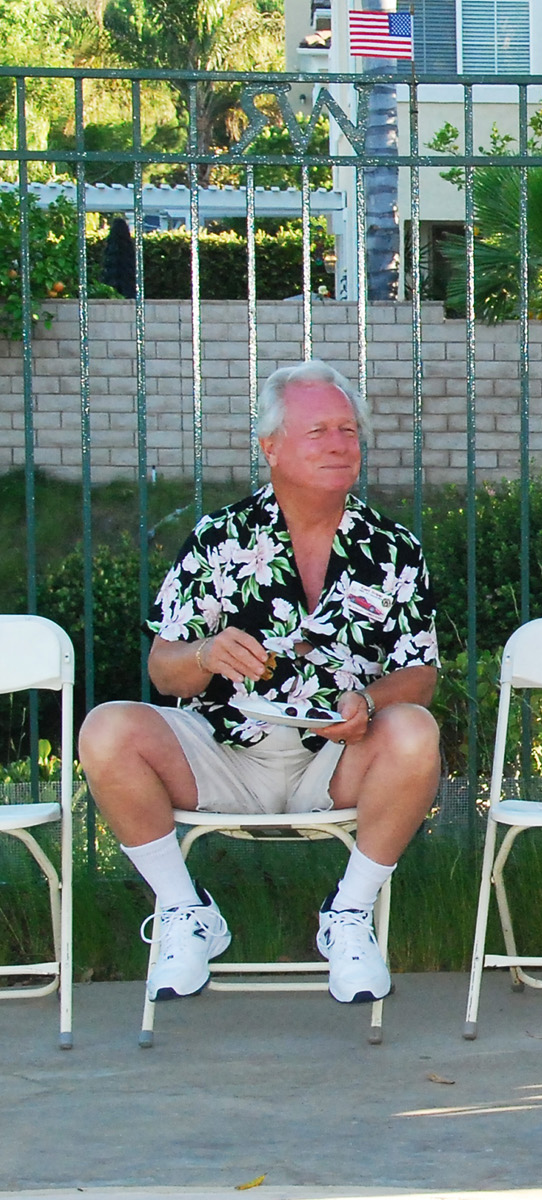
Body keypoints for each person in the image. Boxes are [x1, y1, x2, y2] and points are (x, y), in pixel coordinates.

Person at [79, 361, 442, 1006]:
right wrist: (208, 654)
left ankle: (350, 915)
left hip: (335, 755)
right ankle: (185, 913)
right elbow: (164, 671)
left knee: (414, 731)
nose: (339, 444)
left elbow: (420, 676)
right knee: (107, 728)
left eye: (349, 431)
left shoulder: (393, 546)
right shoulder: (219, 537)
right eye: (319, 431)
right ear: (270, 446)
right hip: (222, 753)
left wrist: (368, 702)